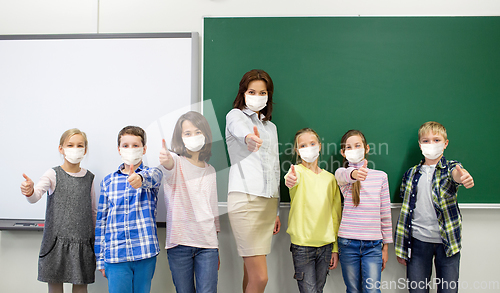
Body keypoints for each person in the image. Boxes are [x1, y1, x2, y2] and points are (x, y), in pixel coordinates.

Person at [394, 121, 474, 293]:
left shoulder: (451, 168)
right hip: (417, 242)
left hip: (447, 244)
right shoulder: (410, 174)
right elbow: (405, 212)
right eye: (426, 140)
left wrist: (463, 177)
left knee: (448, 290)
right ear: (420, 144)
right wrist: (401, 247)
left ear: (445, 144)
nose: (431, 144)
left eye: (436, 140)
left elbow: (457, 175)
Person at [20, 128, 96, 293]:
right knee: (55, 286)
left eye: (79, 145)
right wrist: (30, 191)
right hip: (56, 243)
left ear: (85, 149)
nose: (75, 149)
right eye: (70, 145)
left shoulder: (89, 178)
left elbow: (93, 211)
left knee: (81, 287)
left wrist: (96, 242)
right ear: (61, 148)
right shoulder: (53, 174)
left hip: (83, 243)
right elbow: (35, 196)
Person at [225, 69, 281, 293]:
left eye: (262, 92)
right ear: (243, 92)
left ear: (268, 96)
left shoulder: (271, 128)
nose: (257, 95)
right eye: (252, 91)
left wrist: (276, 210)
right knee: (261, 278)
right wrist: (249, 138)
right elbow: (241, 132)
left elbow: (275, 168)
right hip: (245, 200)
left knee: (250, 275)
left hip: (267, 203)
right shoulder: (235, 115)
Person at [95, 126, 163, 293]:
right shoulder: (108, 181)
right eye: (125, 145)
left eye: (135, 145)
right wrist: (100, 259)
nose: (130, 149)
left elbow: (154, 177)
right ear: (119, 149)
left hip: (145, 253)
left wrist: (139, 178)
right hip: (116, 255)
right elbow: (101, 222)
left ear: (144, 149)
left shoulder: (152, 173)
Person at [159, 111, 220, 293]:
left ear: (206, 136)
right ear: (180, 138)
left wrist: (216, 247)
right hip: (179, 244)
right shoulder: (176, 162)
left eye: (198, 132)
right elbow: (168, 165)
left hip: (208, 245)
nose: (193, 137)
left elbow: (214, 210)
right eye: (187, 133)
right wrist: (167, 159)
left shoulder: (211, 171)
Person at [284, 128, 341, 293]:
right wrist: (290, 180)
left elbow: (335, 215)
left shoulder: (330, 179)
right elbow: (291, 180)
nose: (308, 147)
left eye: (312, 143)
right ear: (297, 150)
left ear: (319, 146)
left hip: (326, 246)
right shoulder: (297, 172)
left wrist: (335, 248)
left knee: (319, 290)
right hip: (303, 246)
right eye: (303, 145)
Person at [334, 130, 393, 293]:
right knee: (353, 290)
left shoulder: (381, 177)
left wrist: (385, 248)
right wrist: (355, 174)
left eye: (357, 145)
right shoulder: (342, 174)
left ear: (366, 148)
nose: (353, 149)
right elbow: (344, 175)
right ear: (343, 152)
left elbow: (385, 214)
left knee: (372, 290)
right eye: (349, 147)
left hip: (373, 245)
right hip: (348, 243)